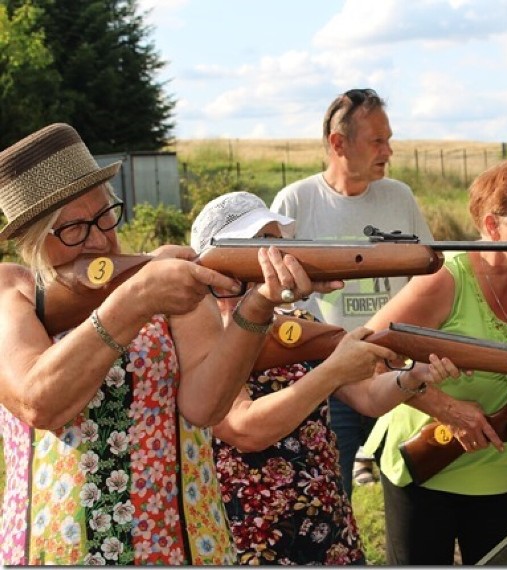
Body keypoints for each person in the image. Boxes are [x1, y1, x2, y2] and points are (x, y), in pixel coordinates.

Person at [0, 123, 330, 565]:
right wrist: (133, 303)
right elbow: (39, 402)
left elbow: (206, 407)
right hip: (58, 548)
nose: (98, 239)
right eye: (74, 229)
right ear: (31, 241)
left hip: (184, 544)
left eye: (104, 217)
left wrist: (260, 304)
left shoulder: (162, 279)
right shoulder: (14, 290)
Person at [191, 191, 458, 565]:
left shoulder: (297, 325)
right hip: (250, 534)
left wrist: (415, 376)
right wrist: (333, 371)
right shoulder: (204, 337)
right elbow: (244, 428)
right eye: (263, 242)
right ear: (222, 258)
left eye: (279, 240)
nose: (281, 252)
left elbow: (367, 398)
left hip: (324, 522)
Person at [361, 157, 507, 565]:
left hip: (503, 471)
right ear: (493, 225)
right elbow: (366, 355)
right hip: (427, 468)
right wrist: (444, 408)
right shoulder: (446, 281)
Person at [270, 88, 433, 496]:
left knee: (411, 487)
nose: (389, 151)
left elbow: (427, 278)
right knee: (332, 492)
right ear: (338, 143)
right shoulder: (295, 202)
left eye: (388, 139)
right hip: (331, 376)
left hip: (398, 368)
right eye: (378, 140)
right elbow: (280, 296)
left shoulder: (400, 197)